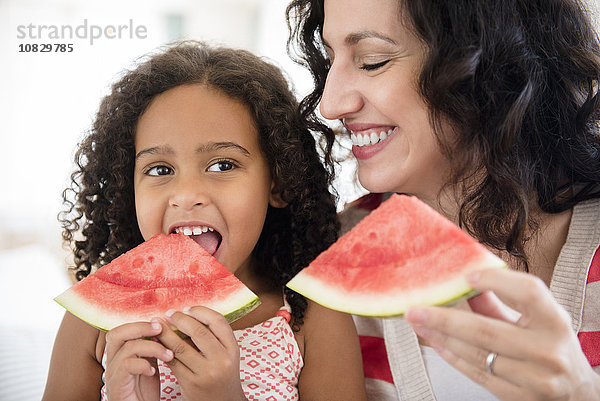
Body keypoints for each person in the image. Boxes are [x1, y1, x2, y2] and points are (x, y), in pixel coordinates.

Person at [286, 0, 600, 400]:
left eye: (372, 60)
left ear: (485, 62)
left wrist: (582, 391)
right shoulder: (327, 258)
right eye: (330, 59)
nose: (330, 105)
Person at [42, 41, 367, 401]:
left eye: (222, 165)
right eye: (160, 169)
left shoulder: (313, 322)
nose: (186, 194)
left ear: (278, 183)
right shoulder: (93, 325)